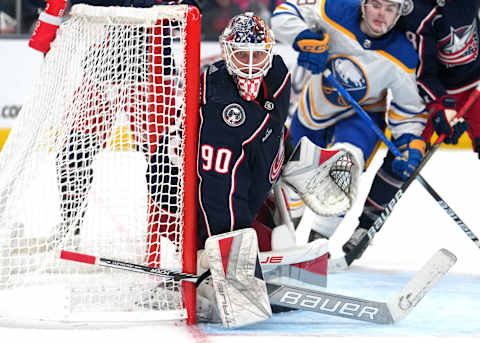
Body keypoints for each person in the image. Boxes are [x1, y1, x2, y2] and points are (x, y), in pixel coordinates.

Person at [270, 0, 429, 242]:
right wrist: (303, 37)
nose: (382, 15)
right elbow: (285, 12)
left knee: (346, 164)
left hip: (361, 118)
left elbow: (409, 110)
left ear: (399, 15)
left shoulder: (402, 55)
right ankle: (281, 242)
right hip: (315, 108)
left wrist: (409, 140)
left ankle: (318, 243)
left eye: (390, 9)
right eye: (377, 5)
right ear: (363, 4)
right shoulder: (332, 9)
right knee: (291, 181)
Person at [341, 0, 479, 260]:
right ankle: (365, 227)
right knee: (404, 157)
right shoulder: (415, 13)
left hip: (474, 86)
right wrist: (440, 108)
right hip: (435, 95)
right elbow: (421, 73)